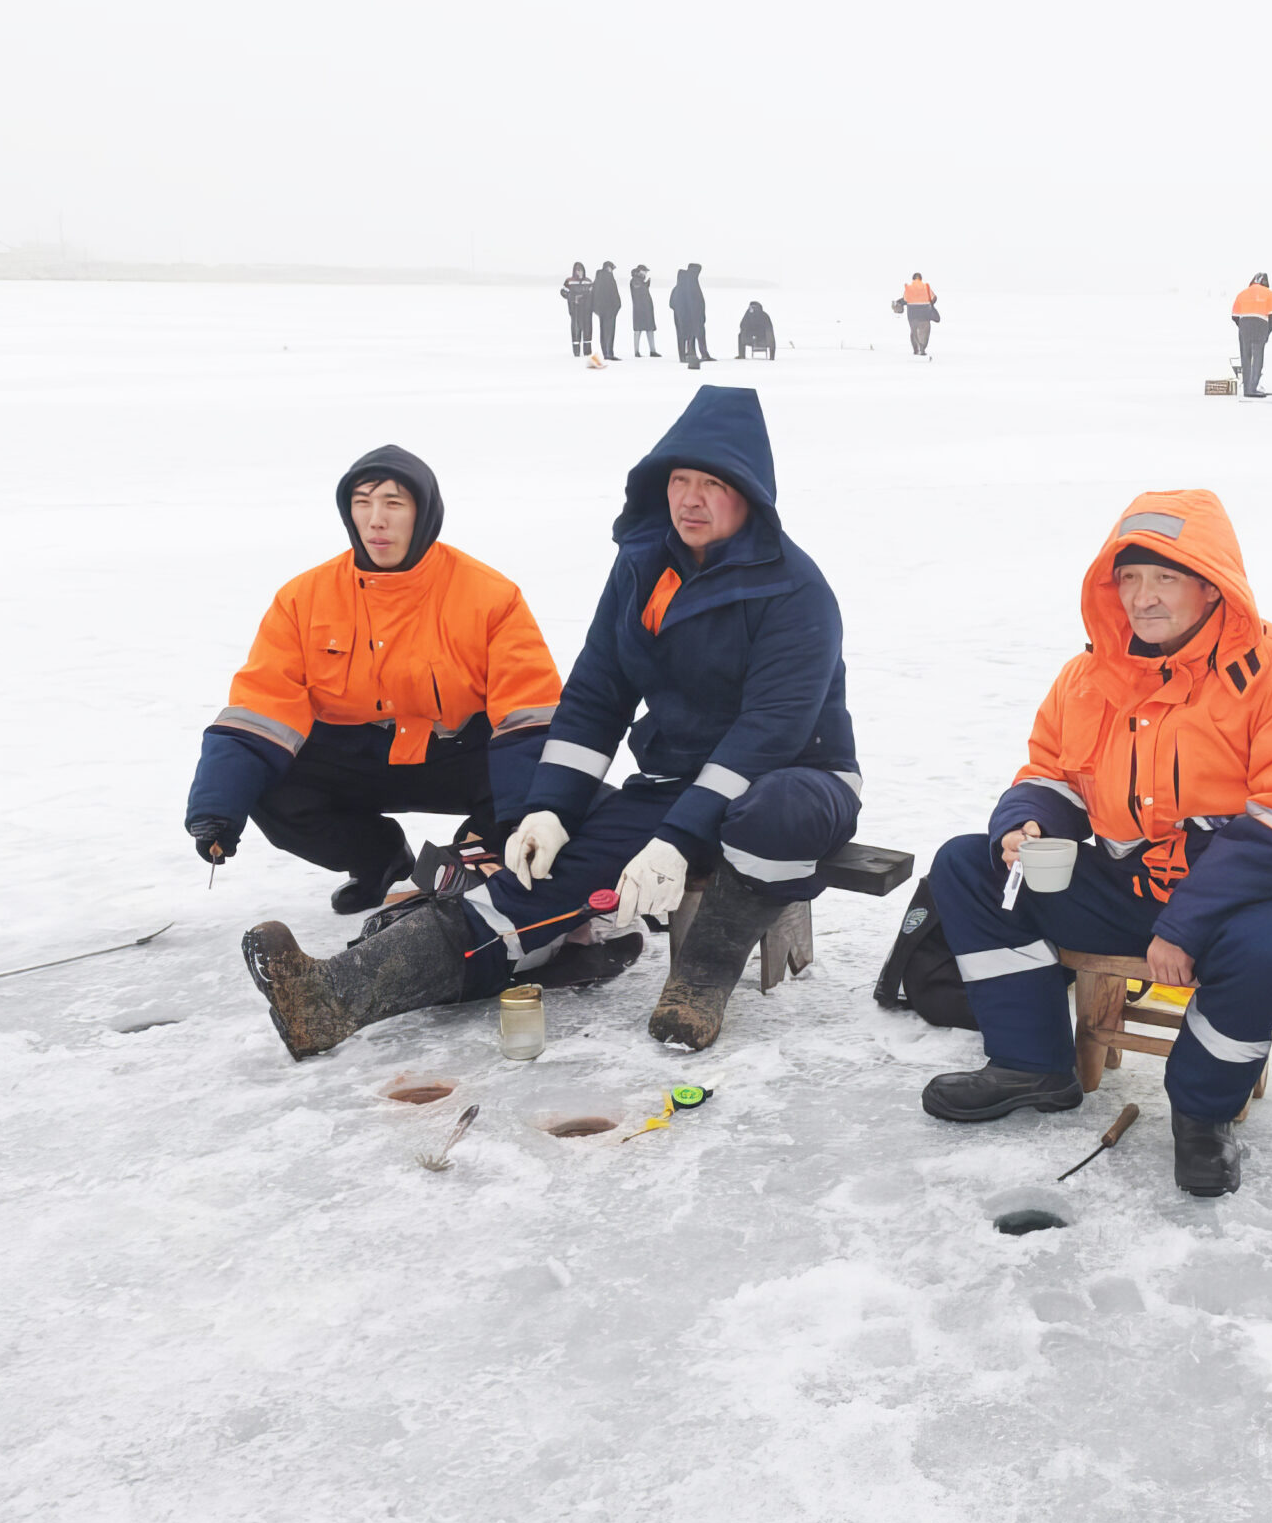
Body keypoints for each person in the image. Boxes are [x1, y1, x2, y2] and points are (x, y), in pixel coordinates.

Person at [240, 389, 862, 1062]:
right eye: (680, 481)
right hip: (676, 782)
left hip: (797, 776)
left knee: (775, 811)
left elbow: (768, 731)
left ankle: (701, 978)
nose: (690, 499)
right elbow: (597, 695)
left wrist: (677, 839)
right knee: (532, 882)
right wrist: (549, 809)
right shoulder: (642, 568)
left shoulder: (797, 592)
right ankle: (334, 997)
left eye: (712, 484)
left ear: (751, 495)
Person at [921, 490, 1272, 1198]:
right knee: (966, 867)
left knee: (1268, 957)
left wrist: (1186, 924)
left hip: (1242, 897)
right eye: (1128, 578)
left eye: (1165, 578)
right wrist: (1026, 825)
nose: (1142, 599)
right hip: (1127, 886)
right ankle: (1032, 1063)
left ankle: (1204, 1115)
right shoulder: (1088, 675)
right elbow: (1051, 774)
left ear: (1212, 586)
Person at [186, 447, 562, 916]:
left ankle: (472, 866)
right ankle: (379, 859)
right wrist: (216, 808)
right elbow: (260, 710)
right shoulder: (303, 598)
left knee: (547, 789)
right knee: (267, 785)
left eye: (393, 503)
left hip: (460, 756)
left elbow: (529, 717)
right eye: (362, 503)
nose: (375, 520)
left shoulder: (491, 596)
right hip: (354, 758)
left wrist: (520, 821)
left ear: (424, 513)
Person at [1230, 273, 1272, 397]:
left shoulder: (1242, 293)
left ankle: (1247, 389)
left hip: (1244, 323)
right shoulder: (1269, 293)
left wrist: (1243, 327)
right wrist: (1267, 332)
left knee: (1245, 357)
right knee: (1257, 357)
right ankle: (1253, 387)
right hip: (1260, 324)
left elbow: (1234, 316)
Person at [671, 263, 711, 370]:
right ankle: (691, 355)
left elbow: (671, 303)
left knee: (685, 336)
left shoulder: (679, 288)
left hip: (682, 316)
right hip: (689, 317)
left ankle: (685, 355)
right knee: (690, 335)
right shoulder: (691, 286)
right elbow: (694, 302)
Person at [898, 273, 937, 356]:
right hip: (924, 311)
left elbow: (905, 299)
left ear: (913, 279)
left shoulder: (909, 287)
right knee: (925, 331)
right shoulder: (926, 286)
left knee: (914, 331)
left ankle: (916, 349)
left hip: (912, 313)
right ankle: (922, 347)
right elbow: (934, 298)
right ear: (921, 279)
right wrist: (930, 304)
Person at [561, 263, 593, 360]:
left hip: (587, 310)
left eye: (581, 270)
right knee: (576, 329)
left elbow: (593, 293)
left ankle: (587, 352)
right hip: (575, 310)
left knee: (587, 330)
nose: (579, 272)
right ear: (574, 271)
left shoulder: (588, 281)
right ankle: (576, 352)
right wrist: (573, 298)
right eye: (577, 270)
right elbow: (563, 292)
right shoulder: (569, 281)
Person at [592, 261, 621, 360]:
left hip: (601, 310)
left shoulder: (597, 279)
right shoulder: (609, 278)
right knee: (609, 332)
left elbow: (593, 294)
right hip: (610, 310)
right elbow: (614, 294)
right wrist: (617, 307)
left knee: (603, 331)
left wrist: (596, 308)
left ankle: (605, 353)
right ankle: (609, 353)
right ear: (608, 268)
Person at [630, 265, 660, 357]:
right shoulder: (635, 280)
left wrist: (645, 285)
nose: (646, 273)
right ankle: (636, 351)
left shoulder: (639, 280)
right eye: (645, 272)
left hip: (646, 309)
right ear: (640, 271)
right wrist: (645, 285)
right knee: (638, 330)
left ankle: (652, 350)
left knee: (649, 329)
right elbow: (638, 291)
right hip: (640, 309)